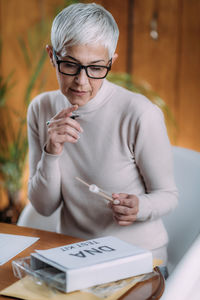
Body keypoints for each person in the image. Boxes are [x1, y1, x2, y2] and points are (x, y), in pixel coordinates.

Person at [27, 2, 178, 274]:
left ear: (111, 62)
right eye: (70, 65)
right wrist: (52, 151)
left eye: (96, 68)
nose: (81, 82)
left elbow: (168, 195)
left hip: (141, 262)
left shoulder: (139, 114)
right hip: (74, 257)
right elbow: (44, 207)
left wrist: (139, 207)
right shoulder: (41, 109)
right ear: (52, 56)